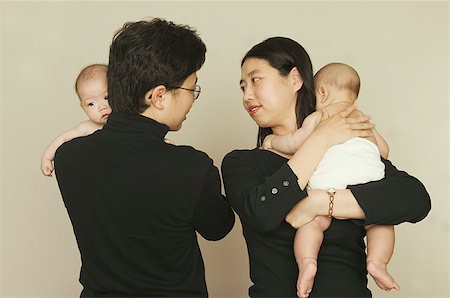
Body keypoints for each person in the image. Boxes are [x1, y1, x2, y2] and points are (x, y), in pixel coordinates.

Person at [221, 37, 431, 298]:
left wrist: (319, 202)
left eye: (255, 80)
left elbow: (415, 199)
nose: (247, 95)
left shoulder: (346, 151)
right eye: (242, 87)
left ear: (295, 79)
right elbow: (261, 212)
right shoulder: (243, 162)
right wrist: (320, 139)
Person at [54, 18, 235, 297]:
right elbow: (218, 227)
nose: (192, 100)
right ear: (159, 96)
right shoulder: (192, 168)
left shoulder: (68, 158)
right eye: (191, 89)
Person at [262, 62, 399, 296]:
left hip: (330, 179)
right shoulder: (362, 120)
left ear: (322, 93)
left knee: (313, 223)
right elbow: (384, 151)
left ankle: (307, 262)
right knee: (380, 222)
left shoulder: (321, 116)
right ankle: (378, 262)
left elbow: (296, 142)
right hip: (368, 181)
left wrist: (272, 142)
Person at [40, 64, 111, 177]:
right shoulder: (86, 127)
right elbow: (62, 138)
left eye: (106, 97)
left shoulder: (128, 120)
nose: (102, 107)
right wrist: (46, 158)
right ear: (83, 107)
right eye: (91, 103)